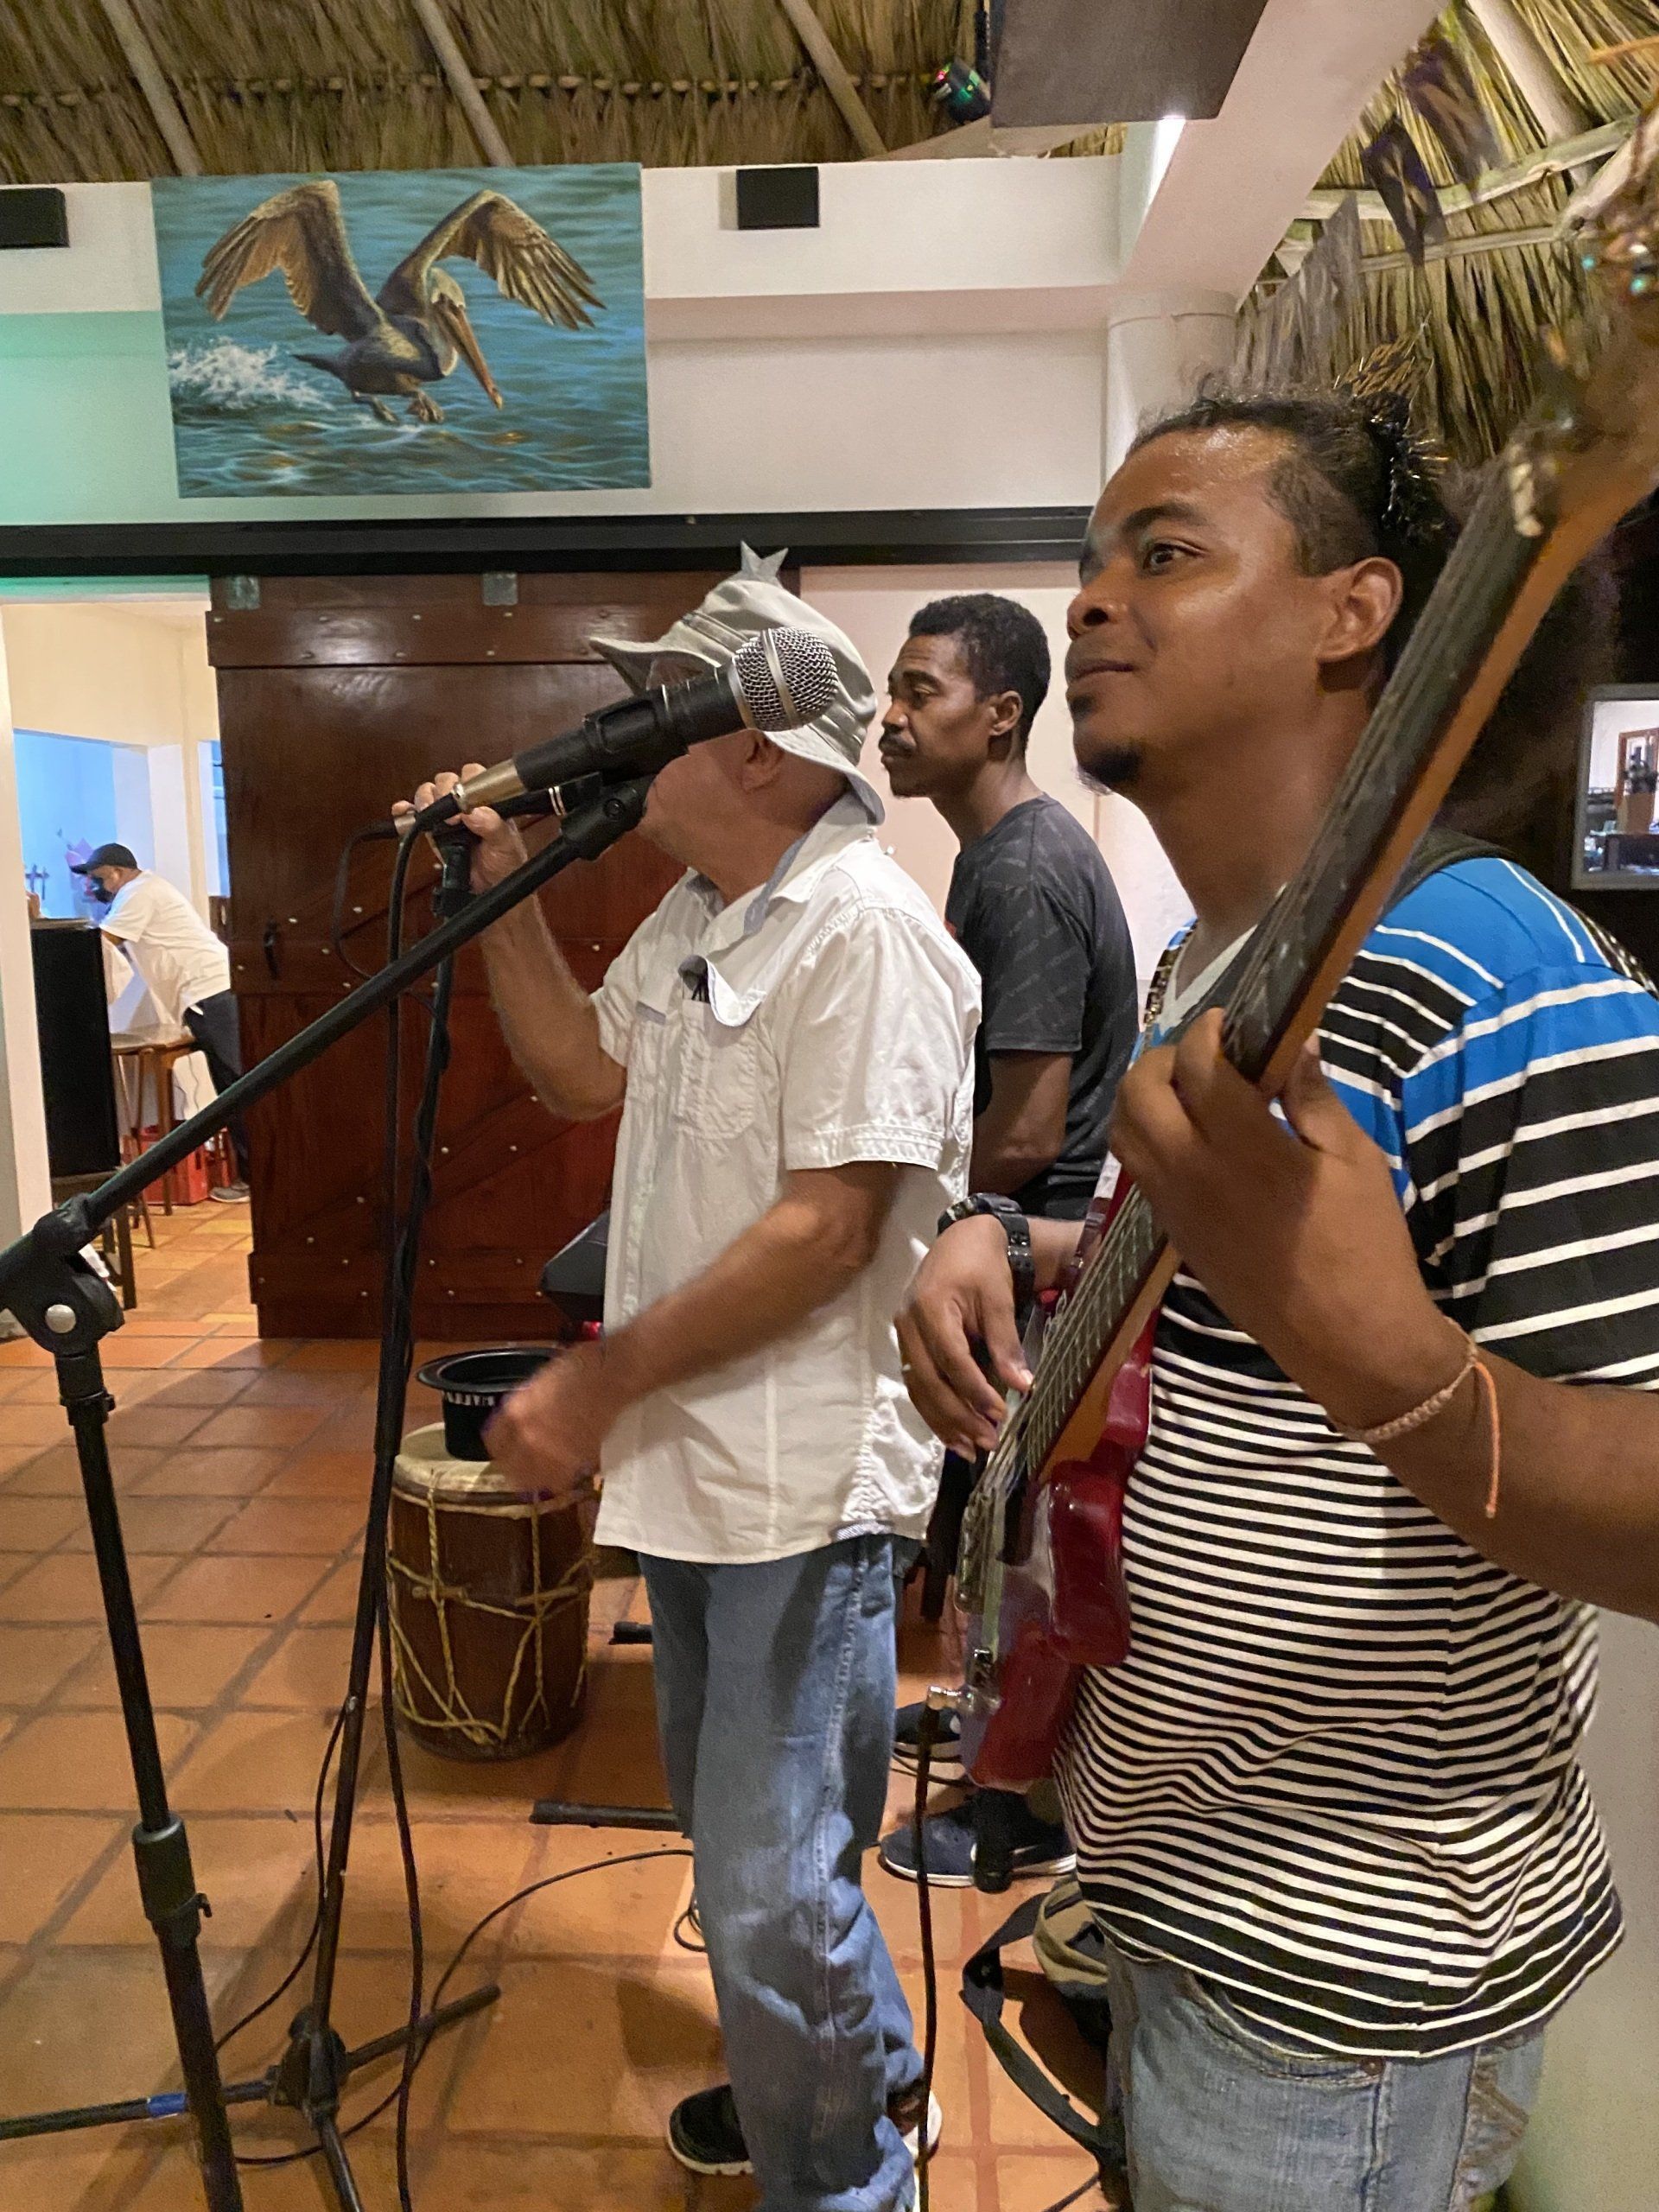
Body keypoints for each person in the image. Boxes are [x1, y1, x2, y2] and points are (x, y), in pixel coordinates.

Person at [897, 390, 1659, 2212]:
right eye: (1089, 565)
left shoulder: (1502, 974)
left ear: (1357, 607)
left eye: (1166, 551)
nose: (1089, 603)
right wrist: (1017, 1246)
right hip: (1182, 1882)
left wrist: (1371, 1346)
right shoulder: (1209, 963)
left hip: (1357, 1970)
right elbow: (1224, 1312)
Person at [404, 557, 979, 2212]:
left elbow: (825, 1233)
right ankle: (859, 2081)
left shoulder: (862, 928)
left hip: (800, 1490)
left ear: (761, 751)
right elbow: (581, 1065)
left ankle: (844, 2184)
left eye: (657, 712)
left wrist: (591, 1391)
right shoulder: (708, 913)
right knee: (765, 1877)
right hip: (703, 1480)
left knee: (765, 1886)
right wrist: (500, 886)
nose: (617, 740)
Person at [878, 593, 1139, 1886]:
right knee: (986, 1532)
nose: (891, 715)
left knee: (1008, 1542)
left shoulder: (1027, 868)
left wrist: (885, 1192)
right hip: (1017, 1242)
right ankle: (990, 1746)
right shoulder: (1003, 854)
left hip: (1038, 1254)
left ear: (1001, 716)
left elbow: (1028, 1125)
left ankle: (1017, 1812)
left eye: (919, 690)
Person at [71, 842, 248, 1198]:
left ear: (117, 872)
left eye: (99, 879)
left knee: (238, 1085)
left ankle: (254, 1178)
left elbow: (103, 942)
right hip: (212, 991)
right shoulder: (144, 890)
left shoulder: (137, 893)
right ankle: (254, 1176)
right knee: (235, 1083)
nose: (94, 888)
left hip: (209, 993)